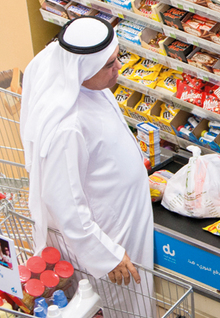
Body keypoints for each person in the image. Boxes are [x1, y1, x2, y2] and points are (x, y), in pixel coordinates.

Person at [20, 16, 154, 287]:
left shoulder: (88, 85)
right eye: (109, 64)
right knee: (123, 315)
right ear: (82, 69)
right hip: (109, 240)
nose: (119, 67)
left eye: (118, 57)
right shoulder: (67, 128)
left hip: (124, 220)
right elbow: (63, 201)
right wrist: (106, 255)